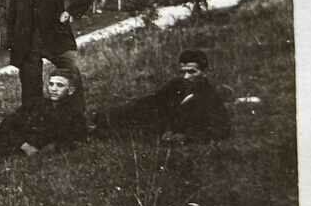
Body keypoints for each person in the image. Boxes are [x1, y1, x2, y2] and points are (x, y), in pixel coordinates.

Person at [6, 0, 99, 107]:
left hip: (56, 36)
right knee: (30, 87)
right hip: (28, 41)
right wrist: (12, 42)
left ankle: (76, 121)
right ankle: (35, 125)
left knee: (71, 79)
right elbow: (12, 12)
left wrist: (71, 11)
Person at [91, 49, 232, 142]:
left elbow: (221, 130)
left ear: (205, 72)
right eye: (183, 71)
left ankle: (94, 132)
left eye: (192, 72)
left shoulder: (211, 97)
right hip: (154, 122)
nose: (186, 76)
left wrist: (185, 137)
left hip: (163, 134)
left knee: (119, 135)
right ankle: (97, 122)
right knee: (109, 118)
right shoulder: (177, 84)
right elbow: (153, 100)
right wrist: (111, 114)